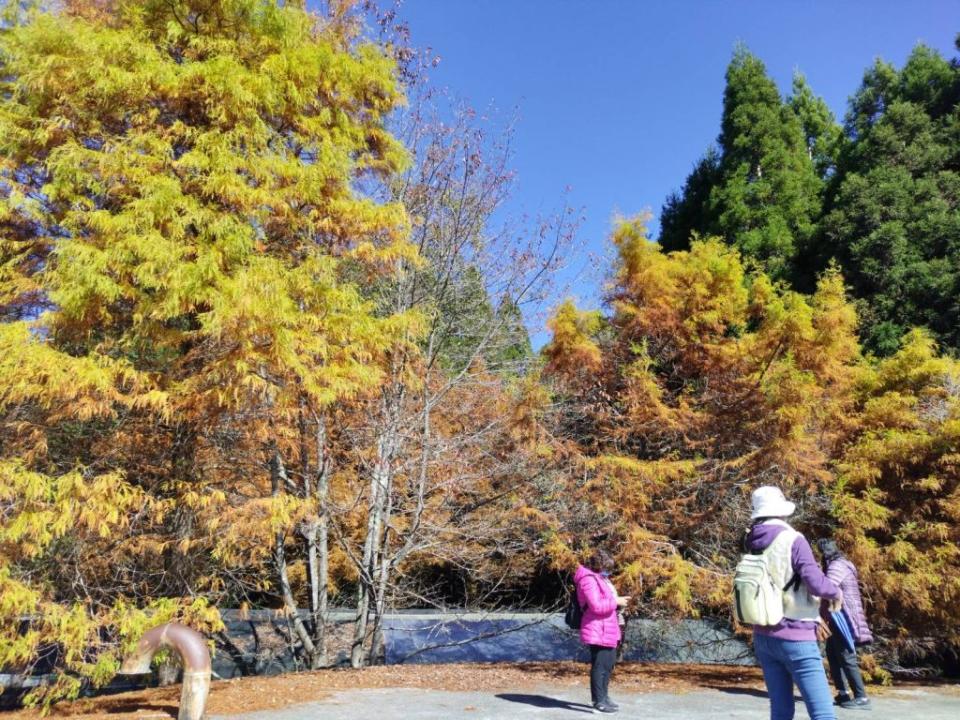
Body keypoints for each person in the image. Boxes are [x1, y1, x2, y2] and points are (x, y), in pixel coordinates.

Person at [745, 486, 843, 720]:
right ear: (782, 511)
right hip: (796, 634)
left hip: (763, 634)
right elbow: (815, 583)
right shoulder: (793, 539)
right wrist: (836, 592)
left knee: (780, 711)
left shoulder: (750, 539)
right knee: (823, 713)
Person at [817, 538, 873, 710]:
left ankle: (861, 697)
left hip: (843, 616)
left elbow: (828, 589)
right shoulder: (840, 564)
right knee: (833, 654)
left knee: (846, 655)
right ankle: (843, 694)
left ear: (825, 553)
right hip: (836, 616)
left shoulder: (837, 566)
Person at [574, 549, 630, 714]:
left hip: (607, 626)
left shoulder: (601, 579)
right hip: (597, 627)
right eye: (607, 567)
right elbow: (596, 606)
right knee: (600, 665)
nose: (609, 571)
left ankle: (604, 697)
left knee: (607, 664)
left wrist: (617, 603)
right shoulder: (588, 580)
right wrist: (616, 601)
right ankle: (598, 701)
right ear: (598, 566)